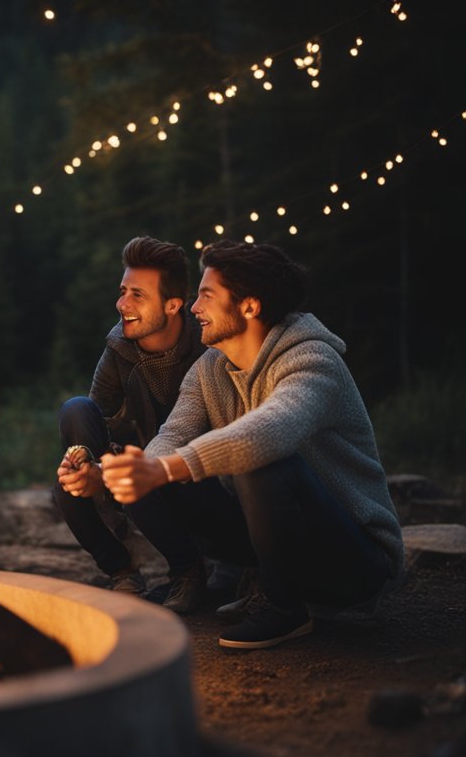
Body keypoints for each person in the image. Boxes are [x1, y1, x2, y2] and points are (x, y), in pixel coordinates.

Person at [102, 239, 403, 649]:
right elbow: (173, 435)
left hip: (353, 559)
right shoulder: (210, 368)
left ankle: (285, 609)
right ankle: (257, 577)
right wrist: (124, 475)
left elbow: (268, 431)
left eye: (206, 296)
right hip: (285, 538)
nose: (193, 308)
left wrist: (166, 468)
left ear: (249, 306)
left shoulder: (312, 360)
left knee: (258, 459)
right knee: (150, 471)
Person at [53, 236, 224, 612]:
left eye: (137, 295)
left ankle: (189, 570)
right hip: (144, 460)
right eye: (122, 291)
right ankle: (122, 570)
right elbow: (95, 415)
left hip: (199, 472)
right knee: (74, 418)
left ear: (173, 304)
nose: (122, 304)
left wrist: (135, 466)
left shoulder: (206, 344)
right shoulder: (119, 347)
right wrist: (86, 461)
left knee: (142, 472)